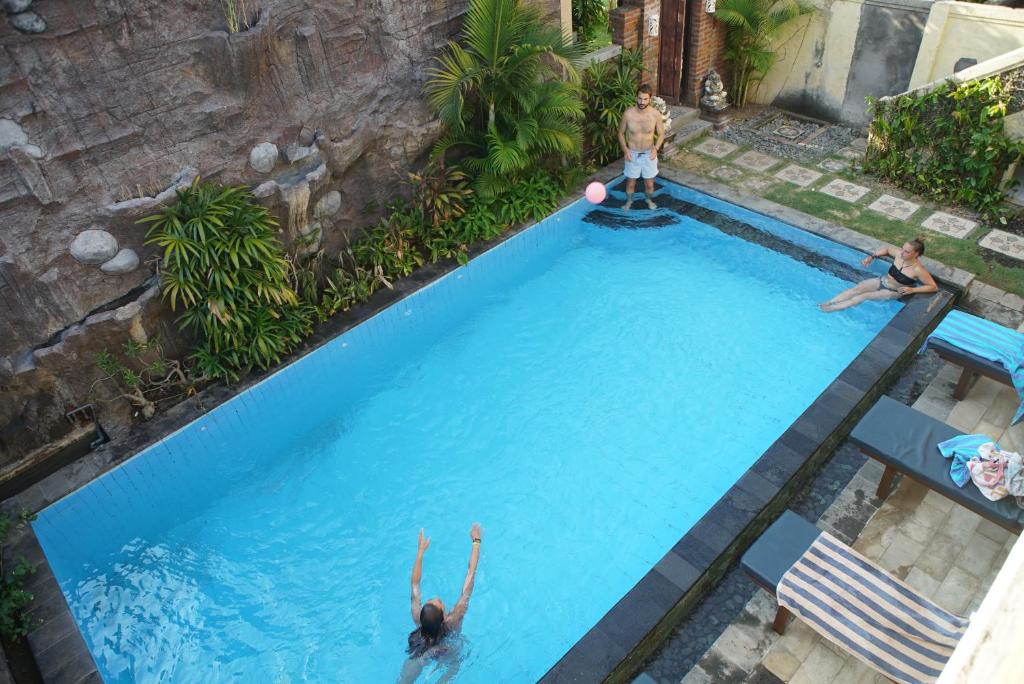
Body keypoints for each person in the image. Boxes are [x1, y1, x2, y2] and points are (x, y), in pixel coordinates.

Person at [406, 523, 482, 657]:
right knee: (455, 661)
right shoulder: (454, 619)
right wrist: (476, 541)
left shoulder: (418, 617)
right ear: (443, 616)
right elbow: (471, 573)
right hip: (447, 650)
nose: (438, 598)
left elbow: (414, 584)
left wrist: (420, 552)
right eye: (439, 603)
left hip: (425, 646)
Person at [818, 238, 938, 312]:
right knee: (857, 289)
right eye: (902, 249)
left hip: (894, 291)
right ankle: (829, 302)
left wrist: (912, 290)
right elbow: (886, 249)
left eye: (906, 252)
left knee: (863, 296)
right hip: (882, 281)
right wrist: (872, 256)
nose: (902, 252)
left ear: (916, 254)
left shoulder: (918, 269)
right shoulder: (898, 254)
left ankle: (831, 310)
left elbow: (933, 287)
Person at [617, 84, 665, 211]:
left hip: (649, 153)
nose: (641, 102)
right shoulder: (628, 114)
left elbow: (661, 134)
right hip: (632, 153)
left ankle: (649, 199)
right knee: (631, 182)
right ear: (636, 97)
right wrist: (625, 150)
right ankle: (629, 202)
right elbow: (620, 133)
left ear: (650, 99)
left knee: (649, 183)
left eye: (645, 99)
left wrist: (656, 149)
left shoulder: (655, 115)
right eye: (639, 98)